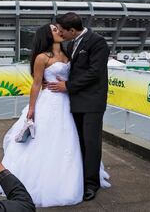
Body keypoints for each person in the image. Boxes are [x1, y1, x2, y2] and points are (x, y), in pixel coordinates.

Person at [0, 24, 110, 207]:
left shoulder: (68, 51)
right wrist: (31, 109)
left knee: (68, 140)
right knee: (45, 140)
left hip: (67, 101)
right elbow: (36, 84)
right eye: (55, 30)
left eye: (59, 29)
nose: (59, 32)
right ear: (47, 35)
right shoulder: (41, 57)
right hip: (49, 102)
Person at [47, 12, 110, 201]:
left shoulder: (97, 42)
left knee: (91, 144)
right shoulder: (72, 43)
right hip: (75, 101)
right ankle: (80, 178)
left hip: (92, 102)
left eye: (62, 31)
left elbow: (94, 72)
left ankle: (91, 184)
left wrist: (67, 86)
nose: (60, 33)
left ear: (72, 30)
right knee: (79, 142)